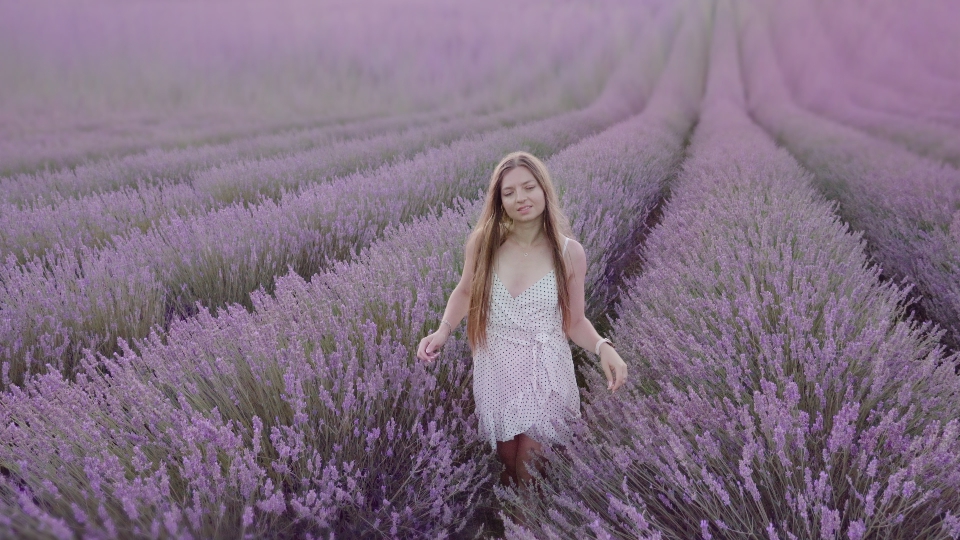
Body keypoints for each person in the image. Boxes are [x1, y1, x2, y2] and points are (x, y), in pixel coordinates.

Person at [416, 151, 628, 490]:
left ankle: (525, 522)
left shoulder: (569, 253)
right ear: (499, 200)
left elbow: (575, 322)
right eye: (509, 192)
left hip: (544, 371)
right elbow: (466, 292)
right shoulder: (485, 242)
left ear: (544, 190)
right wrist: (443, 331)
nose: (520, 198)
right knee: (507, 462)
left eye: (528, 187)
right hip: (497, 368)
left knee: (529, 467)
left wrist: (603, 347)